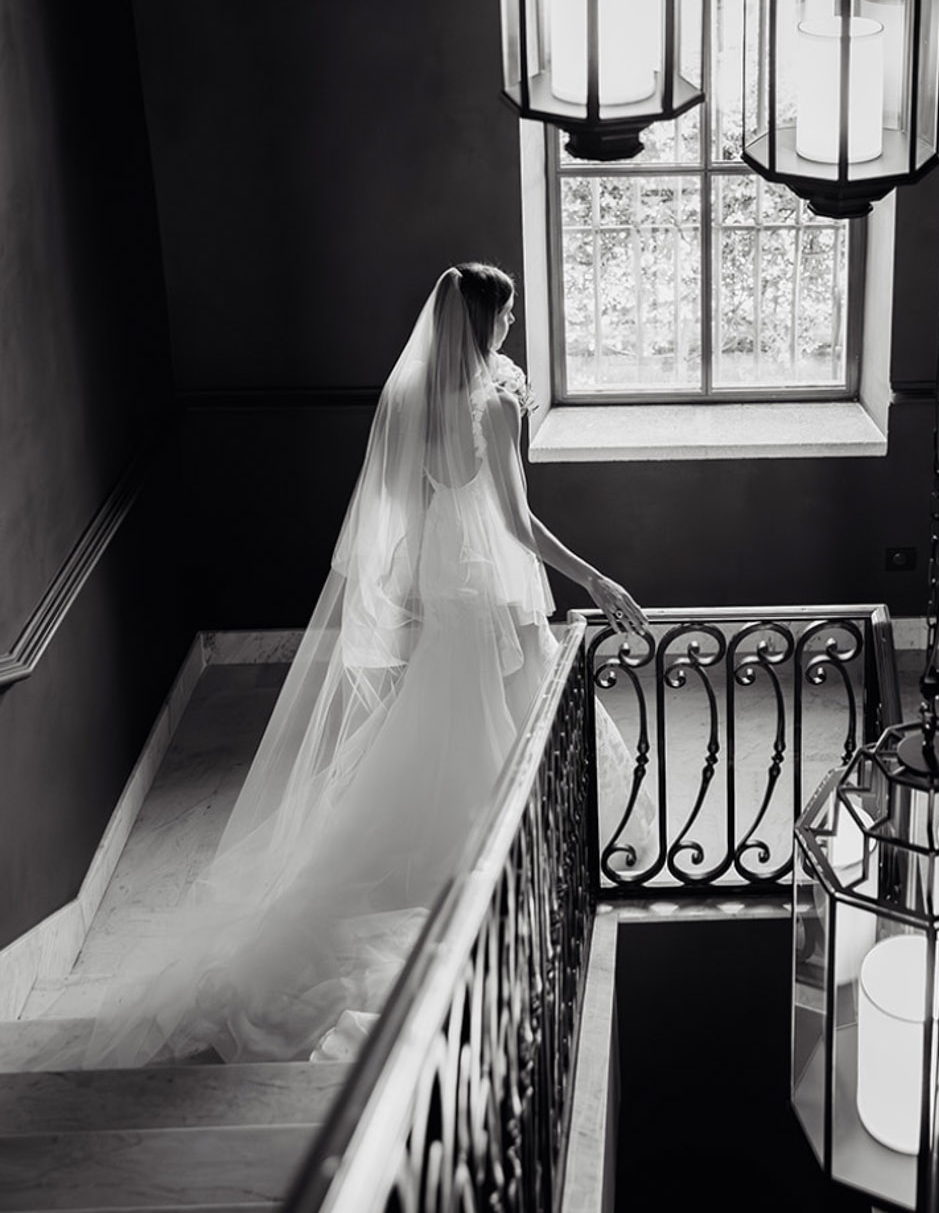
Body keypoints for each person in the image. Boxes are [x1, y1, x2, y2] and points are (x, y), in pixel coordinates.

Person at [82, 262, 650, 1067]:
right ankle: (511, 861)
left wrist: (412, 597)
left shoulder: (415, 399)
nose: (514, 324)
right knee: (516, 721)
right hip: (491, 591)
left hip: (446, 590)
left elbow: (403, 512)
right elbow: (519, 524)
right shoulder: (492, 406)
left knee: (441, 732)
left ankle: (464, 851)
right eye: (510, 312)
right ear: (485, 320)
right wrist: (594, 576)